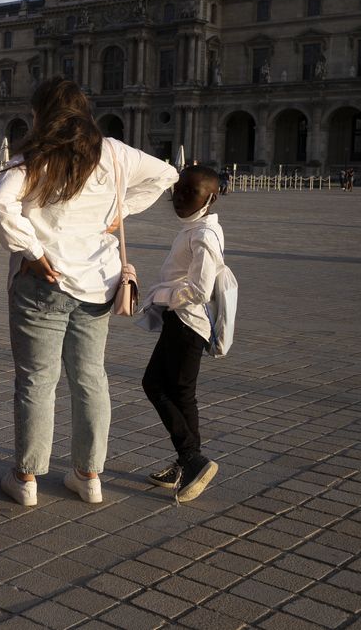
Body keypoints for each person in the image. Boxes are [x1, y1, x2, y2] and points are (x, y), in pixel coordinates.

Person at [0, 77, 177, 507]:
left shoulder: (34, 158)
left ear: (41, 115)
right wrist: (119, 211)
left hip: (44, 281)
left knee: (38, 381)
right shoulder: (114, 153)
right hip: (98, 284)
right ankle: (89, 475)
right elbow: (167, 174)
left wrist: (32, 249)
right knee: (91, 378)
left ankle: (27, 478)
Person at [139, 166, 226, 502]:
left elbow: (200, 289)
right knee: (182, 393)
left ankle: (192, 457)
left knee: (154, 384)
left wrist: (159, 296)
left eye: (191, 192)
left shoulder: (203, 235)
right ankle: (186, 462)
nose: (180, 198)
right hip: (185, 322)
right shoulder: (196, 228)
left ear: (211, 197)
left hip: (188, 323)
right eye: (178, 190)